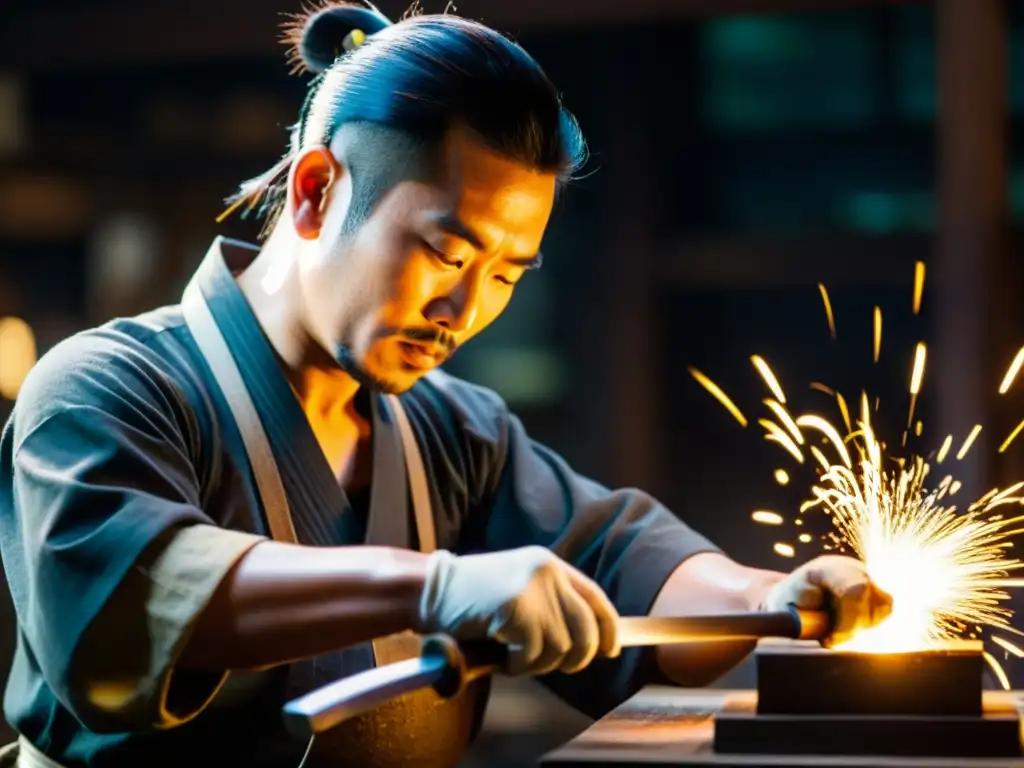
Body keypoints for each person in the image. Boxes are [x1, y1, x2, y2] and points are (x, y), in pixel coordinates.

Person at [0, 4, 892, 768]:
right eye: (446, 252)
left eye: (507, 274)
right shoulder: (102, 390)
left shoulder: (457, 434)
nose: (464, 309)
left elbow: (622, 564)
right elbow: (134, 599)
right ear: (316, 193)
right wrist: (433, 587)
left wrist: (767, 600)